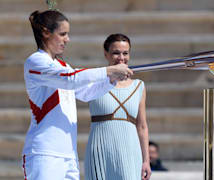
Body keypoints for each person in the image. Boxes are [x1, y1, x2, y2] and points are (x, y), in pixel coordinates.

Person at [22, 10, 132, 180]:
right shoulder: (35, 61)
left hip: (68, 154)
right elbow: (71, 79)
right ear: (45, 33)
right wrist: (109, 70)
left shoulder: (62, 65)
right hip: (44, 154)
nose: (68, 39)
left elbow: (86, 93)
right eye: (63, 34)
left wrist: (111, 79)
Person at [84, 34, 151, 180]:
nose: (121, 58)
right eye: (116, 53)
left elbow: (142, 126)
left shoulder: (139, 86)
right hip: (100, 149)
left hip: (130, 150)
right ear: (106, 54)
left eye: (125, 53)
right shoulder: (94, 81)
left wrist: (146, 160)